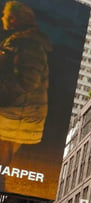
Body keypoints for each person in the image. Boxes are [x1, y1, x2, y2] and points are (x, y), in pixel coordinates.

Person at [0, 0, 51, 180]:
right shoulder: (23, 40)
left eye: (5, 15)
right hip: (18, 111)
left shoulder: (29, 43)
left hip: (18, 114)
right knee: (3, 166)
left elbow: (28, 81)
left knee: (2, 162)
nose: (2, 18)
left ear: (13, 19)